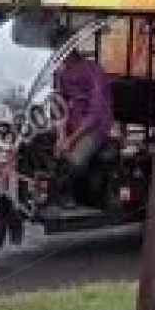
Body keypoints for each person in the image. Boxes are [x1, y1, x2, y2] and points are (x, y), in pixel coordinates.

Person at [53, 46, 114, 206]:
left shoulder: (95, 72)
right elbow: (58, 105)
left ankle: (70, 198)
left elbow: (94, 116)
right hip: (69, 126)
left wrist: (70, 140)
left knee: (76, 159)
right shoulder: (60, 73)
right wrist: (61, 136)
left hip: (96, 129)